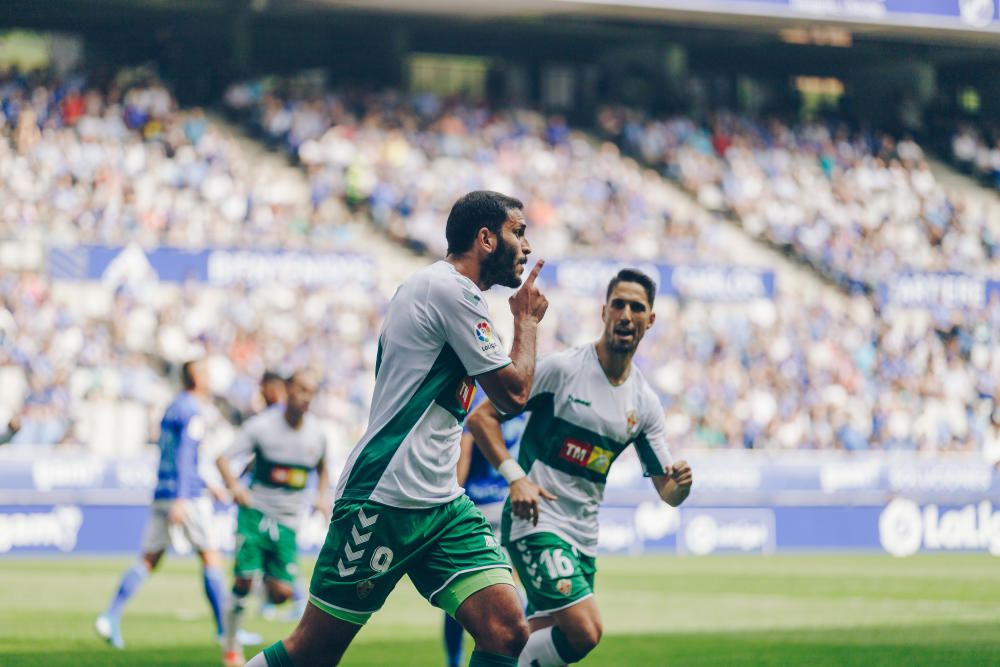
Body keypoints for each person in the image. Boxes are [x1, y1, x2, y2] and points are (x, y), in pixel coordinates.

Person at [246, 190, 548, 667]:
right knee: (312, 652)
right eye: (518, 232)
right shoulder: (448, 289)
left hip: (440, 503)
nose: (527, 246)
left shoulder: (448, 293)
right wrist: (527, 322)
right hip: (384, 497)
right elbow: (513, 395)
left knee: (507, 630)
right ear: (485, 239)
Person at [466, 268, 694, 667]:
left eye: (636, 307)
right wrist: (515, 478)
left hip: (583, 536)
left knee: (521, 638)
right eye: (618, 304)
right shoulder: (563, 370)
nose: (626, 314)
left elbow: (667, 492)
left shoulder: (643, 404)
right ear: (604, 311)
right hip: (535, 521)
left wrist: (682, 485)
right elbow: (481, 419)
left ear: (650, 320)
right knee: (585, 631)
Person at [96, 359, 229, 649]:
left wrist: (210, 484)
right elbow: (185, 454)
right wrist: (184, 497)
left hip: (163, 490)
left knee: (149, 558)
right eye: (205, 371)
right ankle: (226, 633)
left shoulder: (174, 406)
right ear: (195, 378)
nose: (210, 376)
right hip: (187, 497)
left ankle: (110, 615)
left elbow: (176, 453)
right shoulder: (193, 409)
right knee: (211, 558)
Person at [217, 369, 330, 667]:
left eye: (312, 392)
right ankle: (230, 648)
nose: (306, 398)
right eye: (301, 390)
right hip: (255, 512)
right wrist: (234, 486)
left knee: (281, 594)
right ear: (287, 390)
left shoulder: (317, 435)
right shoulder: (261, 427)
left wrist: (320, 496)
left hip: (289, 521)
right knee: (242, 580)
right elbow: (223, 458)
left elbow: (322, 468)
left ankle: (265, 579)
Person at [444, 388, 527, 667]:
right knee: (511, 589)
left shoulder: (476, 398)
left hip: (481, 505)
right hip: (500, 506)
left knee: (458, 594)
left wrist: (452, 496)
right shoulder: (517, 398)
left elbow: (463, 461)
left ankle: (454, 661)